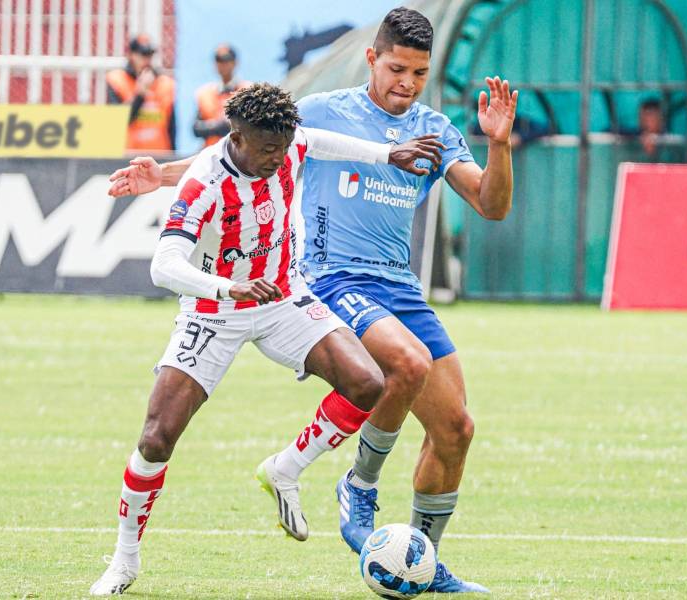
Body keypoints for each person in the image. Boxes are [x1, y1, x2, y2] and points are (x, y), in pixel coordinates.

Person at [107, 8, 517, 594]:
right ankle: (359, 484)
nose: (406, 82)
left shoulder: (436, 128)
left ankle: (418, 566)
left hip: (398, 286)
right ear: (373, 58)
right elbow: (237, 152)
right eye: (397, 67)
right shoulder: (323, 109)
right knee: (404, 365)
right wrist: (162, 176)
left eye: (419, 73)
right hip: (331, 279)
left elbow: (493, 205)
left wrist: (498, 144)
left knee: (455, 429)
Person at [90, 82, 448, 596]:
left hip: (283, 298)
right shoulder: (202, 182)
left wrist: (387, 154)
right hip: (214, 310)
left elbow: (321, 142)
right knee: (156, 438)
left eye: (282, 147)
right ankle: (124, 561)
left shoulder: (288, 144)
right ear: (236, 136)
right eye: (265, 149)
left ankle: (286, 468)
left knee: (369, 383)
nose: (276, 158)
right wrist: (227, 286)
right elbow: (163, 266)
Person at [107, 35, 176, 151]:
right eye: (142, 55)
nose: (147, 60)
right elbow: (118, 122)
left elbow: (171, 126)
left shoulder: (165, 83)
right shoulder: (117, 80)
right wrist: (140, 93)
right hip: (128, 155)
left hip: (159, 154)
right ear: (131, 55)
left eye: (149, 55)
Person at [192, 44, 250, 147]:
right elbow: (196, 129)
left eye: (226, 59)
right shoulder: (205, 93)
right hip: (211, 154)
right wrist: (220, 126)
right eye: (218, 60)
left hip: (239, 154)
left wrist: (219, 126)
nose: (223, 64)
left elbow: (248, 125)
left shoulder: (247, 91)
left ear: (235, 62)